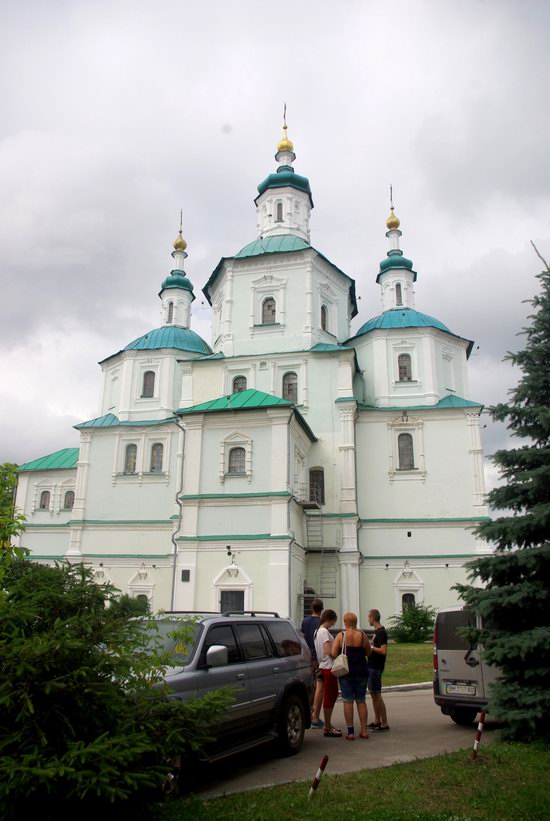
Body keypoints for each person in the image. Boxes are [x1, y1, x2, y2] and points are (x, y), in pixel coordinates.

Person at [331, 611, 371, 740]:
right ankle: (364, 730)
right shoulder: (362, 635)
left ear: (345, 622)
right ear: (356, 622)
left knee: (347, 700)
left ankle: (350, 732)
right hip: (361, 671)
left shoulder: (341, 635)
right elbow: (368, 652)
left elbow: (333, 652)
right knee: (361, 700)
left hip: (346, 672)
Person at [313, 609, 342, 737]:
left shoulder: (317, 631)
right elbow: (327, 651)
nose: (333, 625)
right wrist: (336, 652)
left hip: (322, 665)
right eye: (333, 622)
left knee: (330, 695)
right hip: (328, 666)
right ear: (330, 619)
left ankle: (328, 725)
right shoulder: (324, 632)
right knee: (330, 696)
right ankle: (328, 727)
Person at [301, 598, 325, 728]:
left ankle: (308, 714)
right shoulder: (320, 622)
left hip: (308, 656)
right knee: (319, 686)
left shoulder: (305, 621)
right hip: (318, 656)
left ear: (312, 608)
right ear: (322, 609)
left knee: (311, 686)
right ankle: (315, 717)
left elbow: (303, 637)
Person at [367, 608, 389, 731]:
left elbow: (383, 651)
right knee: (373, 694)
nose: (368, 619)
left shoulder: (381, 632)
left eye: (369, 617)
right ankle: (377, 720)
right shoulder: (376, 632)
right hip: (371, 666)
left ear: (373, 618)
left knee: (377, 695)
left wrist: (371, 648)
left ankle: (384, 723)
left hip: (376, 667)